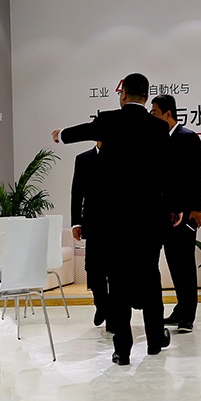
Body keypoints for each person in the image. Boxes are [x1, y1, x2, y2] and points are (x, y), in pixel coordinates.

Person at [53, 73, 172, 366]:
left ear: (123, 95)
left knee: (117, 284)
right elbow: (167, 173)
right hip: (149, 221)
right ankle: (154, 341)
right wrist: (173, 207)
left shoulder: (108, 120)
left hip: (113, 223)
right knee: (150, 279)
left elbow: (80, 132)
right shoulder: (159, 127)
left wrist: (61, 135)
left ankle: (123, 350)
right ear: (146, 97)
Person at [151, 94, 201, 334]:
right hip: (161, 214)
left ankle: (188, 316)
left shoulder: (188, 138)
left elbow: (196, 176)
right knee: (173, 264)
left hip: (184, 213)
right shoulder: (155, 138)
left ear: (168, 113)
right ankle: (180, 309)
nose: (152, 116)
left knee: (185, 265)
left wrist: (196, 209)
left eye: (154, 112)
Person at [70, 141, 109, 329]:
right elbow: (76, 192)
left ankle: (114, 314)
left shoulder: (122, 156)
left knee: (115, 269)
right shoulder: (83, 159)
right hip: (93, 222)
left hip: (118, 223)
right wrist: (76, 222)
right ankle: (101, 305)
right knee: (93, 267)